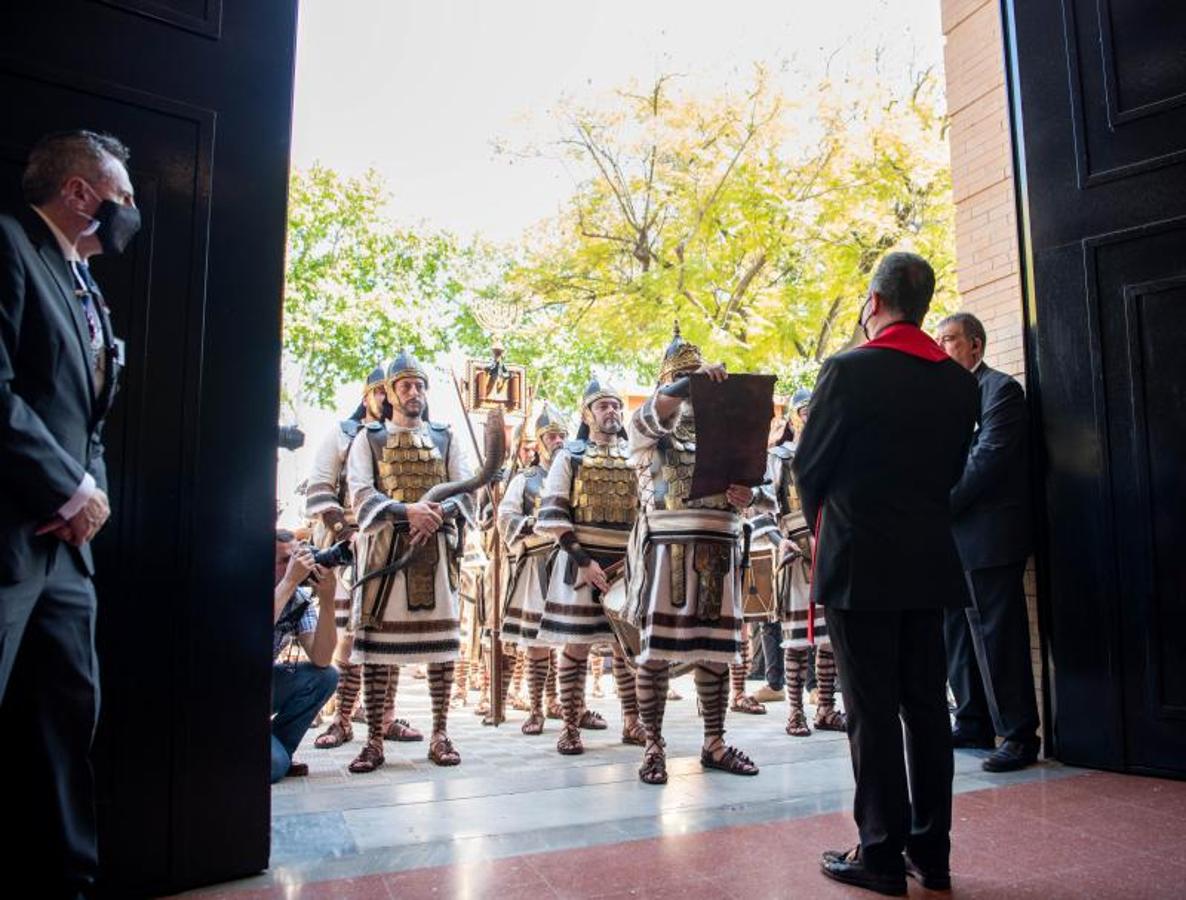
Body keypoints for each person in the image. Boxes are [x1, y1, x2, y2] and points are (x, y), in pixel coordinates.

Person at [796, 252, 978, 895]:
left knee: (871, 712)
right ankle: (933, 854)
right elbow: (953, 472)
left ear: (873, 302)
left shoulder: (847, 370)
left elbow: (809, 468)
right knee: (927, 708)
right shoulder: (960, 382)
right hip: (928, 561)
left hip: (859, 565)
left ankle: (880, 852)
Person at [0, 130, 139, 897]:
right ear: (80, 193)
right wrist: (64, 488)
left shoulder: (87, 286)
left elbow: (86, 421)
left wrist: (94, 498)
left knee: (64, 728)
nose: (130, 212)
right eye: (123, 196)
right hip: (12, 538)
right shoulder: (12, 248)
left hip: (69, 554)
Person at [625, 325, 764, 785]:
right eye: (684, 379)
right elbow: (655, 412)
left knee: (716, 650)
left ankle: (715, 742)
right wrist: (690, 383)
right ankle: (652, 744)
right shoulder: (649, 427)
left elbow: (761, 496)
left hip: (719, 547)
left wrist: (744, 494)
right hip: (666, 550)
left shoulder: (726, 433)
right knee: (656, 652)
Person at [345, 350, 474, 770]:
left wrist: (436, 514)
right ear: (389, 393)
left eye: (419, 386)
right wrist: (406, 512)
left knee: (441, 650)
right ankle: (374, 741)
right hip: (385, 554)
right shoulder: (370, 438)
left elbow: (465, 490)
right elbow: (361, 492)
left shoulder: (446, 437)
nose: (414, 392)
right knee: (379, 650)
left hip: (435, 553)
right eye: (406, 386)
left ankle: (440, 733)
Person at [936, 312, 1040, 772]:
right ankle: (972, 719)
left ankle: (1018, 735)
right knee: (956, 630)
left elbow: (988, 460)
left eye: (951, 340)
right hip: (950, 538)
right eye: (938, 341)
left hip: (991, 535)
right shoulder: (941, 398)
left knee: (998, 634)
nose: (943, 349)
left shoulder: (1000, 390)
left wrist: (937, 505)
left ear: (975, 345)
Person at [307, 367, 423, 750]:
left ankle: (385, 715)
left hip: (393, 542)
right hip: (351, 544)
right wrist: (347, 535)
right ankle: (342, 718)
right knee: (355, 634)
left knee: (388, 632)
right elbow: (321, 490)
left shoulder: (404, 436)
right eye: (380, 392)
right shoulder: (342, 435)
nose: (387, 399)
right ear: (370, 394)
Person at [536, 381, 647, 753]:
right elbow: (554, 514)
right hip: (581, 565)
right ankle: (570, 726)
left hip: (626, 567)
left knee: (626, 647)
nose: (612, 411)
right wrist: (582, 561)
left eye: (617, 405)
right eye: (604, 406)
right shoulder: (570, 455)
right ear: (588, 414)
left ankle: (632, 722)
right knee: (577, 646)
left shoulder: (636, 457)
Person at [767, 399, 847, 737]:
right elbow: (763, 505)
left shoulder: (836, 454)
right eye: (805, 413)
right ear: (797, 419)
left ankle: (826, 707)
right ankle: (795, 711)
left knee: (829, 637)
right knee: (797, 639)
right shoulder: (781, 457)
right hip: (794, 551)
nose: (811, 418)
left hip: (831, 549)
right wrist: (778, 540)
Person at [498, 404, 570, 734]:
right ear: (539, 442)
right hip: (537, 562)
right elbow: (506, 517)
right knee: (538, 641)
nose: (557, 441)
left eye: (561, 436)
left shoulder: (576, 471)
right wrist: (535, 523)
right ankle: (537, 709)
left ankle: (570, 706)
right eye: (551, 436)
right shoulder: (524, 480)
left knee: (572, 638)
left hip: (569, 562)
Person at [271, 531, 339, 782]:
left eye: (295, 559)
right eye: (283, 561)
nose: (294, 567)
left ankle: (279, 748)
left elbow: (322, 659)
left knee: (325, 677)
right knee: (272, 766)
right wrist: (289, 581)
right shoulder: (245, 583)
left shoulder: (298, 599)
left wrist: (328, 600)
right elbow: (250, 634)